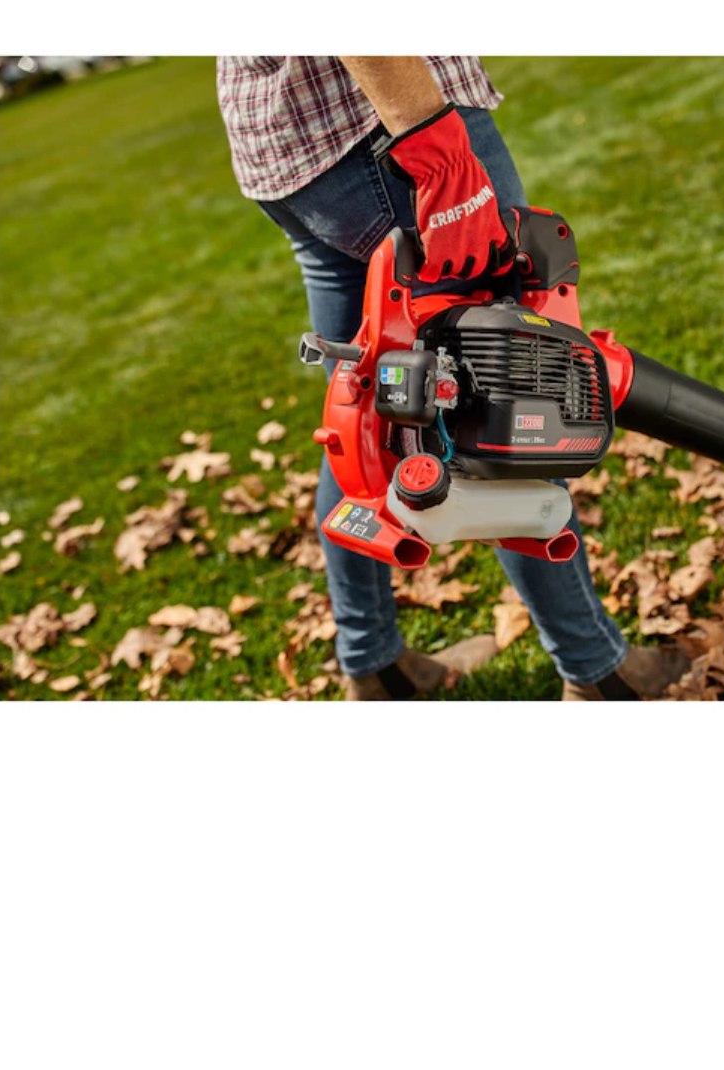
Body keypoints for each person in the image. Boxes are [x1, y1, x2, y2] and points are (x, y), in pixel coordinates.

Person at [217, 56, 688, 700]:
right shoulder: (414, 134)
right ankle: (597, 672)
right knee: (516, 394)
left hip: (286, 145)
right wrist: (436, 148)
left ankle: (375, 664)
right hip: (382, 121)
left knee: (362, 416)